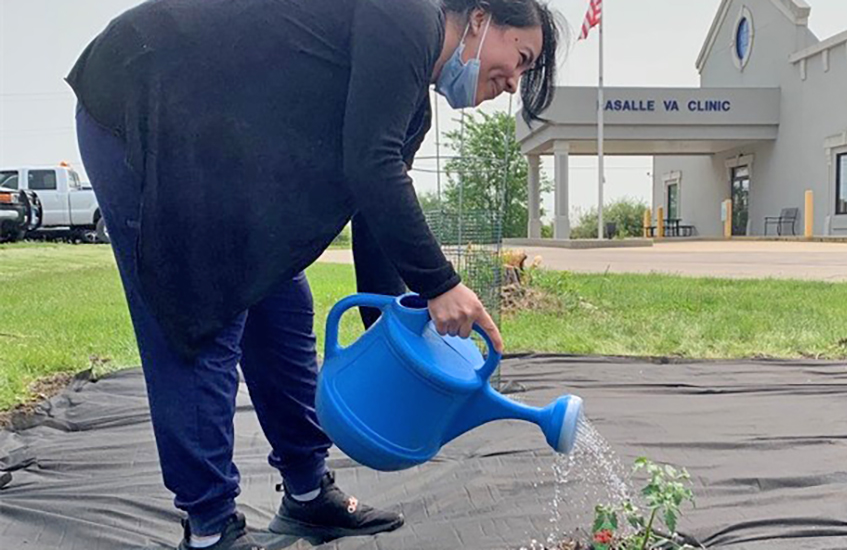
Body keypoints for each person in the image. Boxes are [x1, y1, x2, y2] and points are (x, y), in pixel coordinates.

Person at [66, 0, 560, 548]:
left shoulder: (411, 102)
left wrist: (395, 330)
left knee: (282, 304)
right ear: (479, 18)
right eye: (520, 56)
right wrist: (441, 284)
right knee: (200, 307)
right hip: (141, 99)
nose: (514, 82)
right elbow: (369, 164)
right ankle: (210, 528)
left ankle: (306, 496)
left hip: (218, 141)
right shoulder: (406, 16)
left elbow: (378, 202)